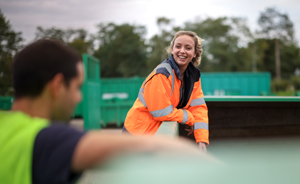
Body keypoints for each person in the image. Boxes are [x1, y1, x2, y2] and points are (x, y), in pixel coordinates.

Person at [0, 39, 201, 184]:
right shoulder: (44, 139)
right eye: (77, 88)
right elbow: (154, 148)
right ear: (58, 86)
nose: (79, 97)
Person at [123, 31, 209, 150]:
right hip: (137, 136)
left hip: (156, 136)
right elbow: (162, 112)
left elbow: (198, 108)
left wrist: (202, 140)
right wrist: (189, 117)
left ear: (195, 53)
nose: (182, 51)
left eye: (188, 48)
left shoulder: (193, 77)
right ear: (172, 49)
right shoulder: (162, 74)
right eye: (178, 46)